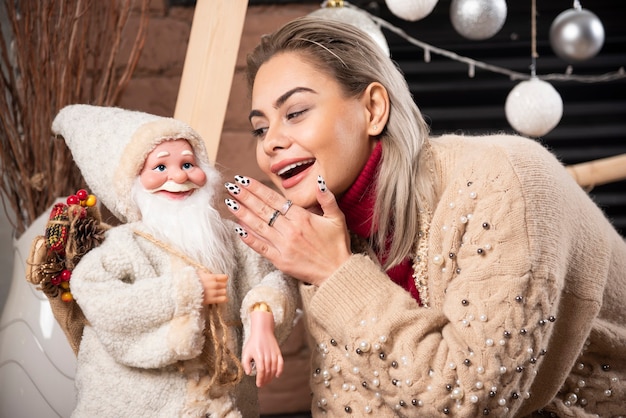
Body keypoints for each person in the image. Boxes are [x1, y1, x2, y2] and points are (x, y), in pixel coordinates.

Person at [222, 16, 626, 417]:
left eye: (294, 112)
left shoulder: (510, 180)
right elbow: (347, 401)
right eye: (260, 129)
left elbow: (472, 400)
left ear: (374, 109)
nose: (271, 142)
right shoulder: (328, 231)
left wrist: (334, 274)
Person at [50, 104, 299, 418]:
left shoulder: (227, 239)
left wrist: (262, 317)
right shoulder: (123, 246)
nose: (179, 176)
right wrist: (185, 292)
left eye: (188, 163)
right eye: (160, 167)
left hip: (223, 399)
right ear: (132, 183)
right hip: (138, 405)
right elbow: (101, 300)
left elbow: (273, 276)